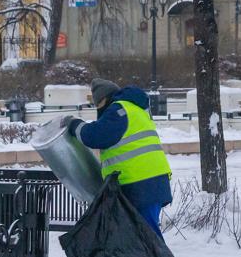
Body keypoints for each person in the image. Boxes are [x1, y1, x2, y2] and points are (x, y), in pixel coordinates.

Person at [65, 79, 172, 237]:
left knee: (148, 240)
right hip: (151, 182)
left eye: (98, 104)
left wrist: (74, 125)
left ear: (104, 99)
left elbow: (94, 136)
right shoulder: (134, 108)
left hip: (141, 185)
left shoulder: (118, 110)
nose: (98, 109)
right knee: (143, 238)